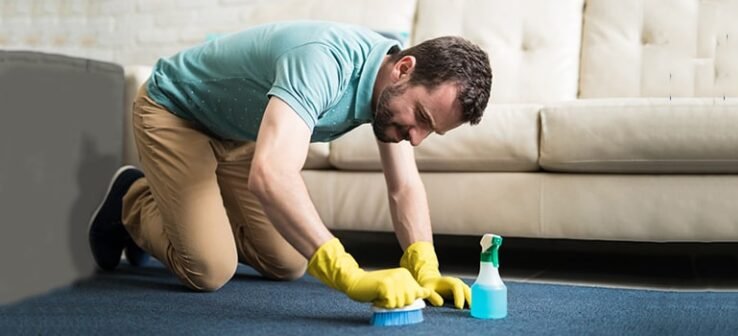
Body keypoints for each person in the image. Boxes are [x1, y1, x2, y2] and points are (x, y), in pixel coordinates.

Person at [88, 20, 492, 310]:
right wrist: (348, 275)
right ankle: (133, 199)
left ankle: (190, 208)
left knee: (287, 262)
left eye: (430, 131)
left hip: (241, 132)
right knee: (210, 268)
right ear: (403, 69)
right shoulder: (324, 61)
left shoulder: (388, 88)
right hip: (177, 112)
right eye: (420, 117)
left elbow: (403, 186)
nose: (416, 137)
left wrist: (426, 267)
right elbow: (271, 175)